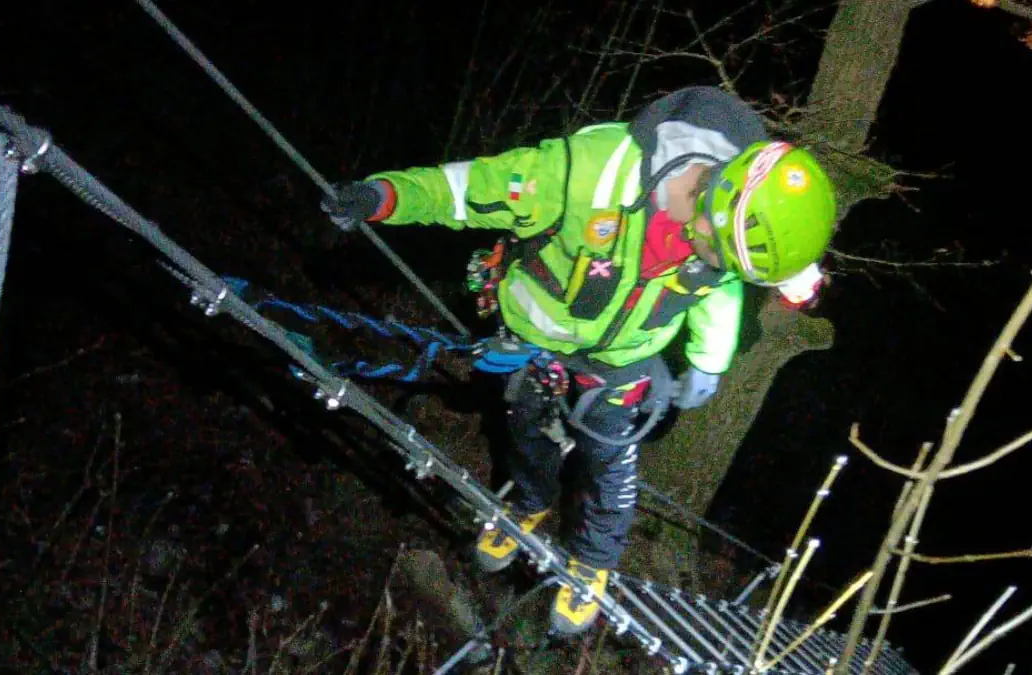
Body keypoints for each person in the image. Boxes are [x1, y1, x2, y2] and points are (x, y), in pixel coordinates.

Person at [319, 85, 836, 635]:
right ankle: (530, 501)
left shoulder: (729, 245)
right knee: (524, 431)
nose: (713, 266)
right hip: (536, 336)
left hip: (623, 359)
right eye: (719, 253)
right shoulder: (589, 171)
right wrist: (387, 196)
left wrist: (708, 361)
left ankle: (593, 562)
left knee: (610, 461)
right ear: (716, 197)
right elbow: (473, 188)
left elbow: (718, 295)